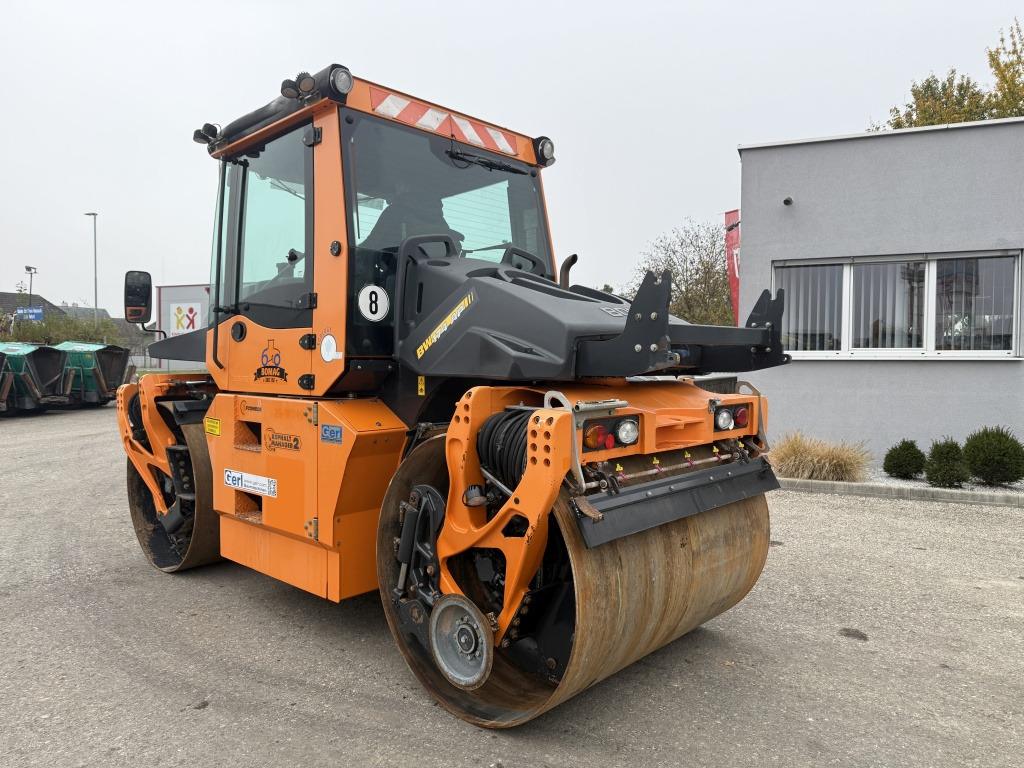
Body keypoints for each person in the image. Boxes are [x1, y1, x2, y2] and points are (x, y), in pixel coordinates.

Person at [361, 178, 463, 252]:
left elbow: (372, 244)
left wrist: (354, 252)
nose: (397, 189)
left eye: (398, 185)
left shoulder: (395, 211)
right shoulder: (439, 219)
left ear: (403, 186)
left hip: (399, 275)